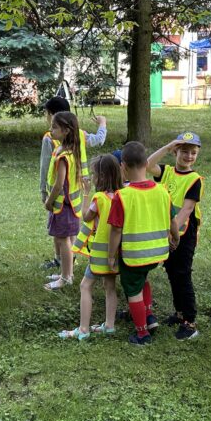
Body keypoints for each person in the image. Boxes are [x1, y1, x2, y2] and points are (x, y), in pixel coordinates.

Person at [107, 141, 178, 346]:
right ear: (147, 163)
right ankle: (149, 317)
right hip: (156, 253)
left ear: (123, 166)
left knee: (133, 290)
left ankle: (142, 334)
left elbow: (116, 230)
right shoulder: (162, 190)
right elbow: (172, 220)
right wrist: (176, 237)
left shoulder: (123, 196)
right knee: (143, 280)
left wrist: (111, 256)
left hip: (133, 255)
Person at [59, 155, 124, 340]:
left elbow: (86, 216)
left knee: (85, 286)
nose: (93, 177)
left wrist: (86, 193)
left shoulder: (100, 198)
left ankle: (83, 329)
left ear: (101, 177)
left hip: (100, 252)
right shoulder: (122, 196)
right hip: (116, 251)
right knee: (110, 286)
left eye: (95, 174)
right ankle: (109, 326)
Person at [38, 97, 107, 269]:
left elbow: (45, 165)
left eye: (48, 116)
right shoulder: (80, 134)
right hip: (78, 189)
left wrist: (43, 192)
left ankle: (61, 260)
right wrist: (103, 123)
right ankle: (70, 258)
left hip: (59, 192)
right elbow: (99, 139)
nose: (48, 121)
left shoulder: (49, 138)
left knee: (60, 229)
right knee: (70, 228)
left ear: (55, 116)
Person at [147, 132, 204, 340]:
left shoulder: (195, 179)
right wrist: (168, 145)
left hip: (184, 233)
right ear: (175, 152)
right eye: (184, 151)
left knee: (182, 273)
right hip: (169, 231)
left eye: (193, 152)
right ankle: (179, 313)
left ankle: (190, 321)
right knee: (171, 271)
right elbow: (146, 164)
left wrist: (173, 235)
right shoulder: (166, 172)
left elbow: (186, 210)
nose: (188, 156)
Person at [43, 111, 85, 290]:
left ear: (66, 131)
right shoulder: (67, 149)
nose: (51, 130)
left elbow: (59, 184)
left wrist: (49, 201)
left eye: (54, 127)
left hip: (63, 206)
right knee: (63, 239)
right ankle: (65, 272)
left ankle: (66, 277)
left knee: (63, 240)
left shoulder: (63, 155)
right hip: (68, 205)